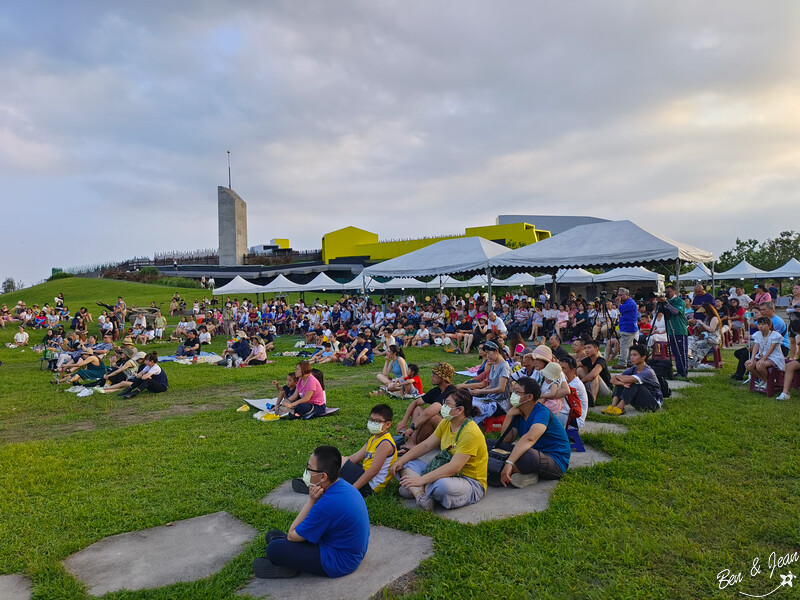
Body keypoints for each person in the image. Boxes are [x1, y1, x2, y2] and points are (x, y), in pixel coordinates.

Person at [254, 445, 369, 579]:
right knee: (273, 535)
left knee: (274, 549)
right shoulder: (342, 485)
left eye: (309, 469)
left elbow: (292, 534)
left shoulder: (327, 503)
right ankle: (291, 557)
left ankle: (291, 564)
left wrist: (311, 501)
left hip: (339, 562)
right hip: (352, 551)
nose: (307, 472)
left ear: (323, 477)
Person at [390, 389, 488, 511]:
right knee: (406, 465)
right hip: (442, 468)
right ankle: (421, 496)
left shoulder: (470, 433)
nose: (444, 407)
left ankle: (416, 489)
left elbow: (454, 468)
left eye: (447, 404)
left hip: (468, 480)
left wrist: (421, 479)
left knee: (441, 486)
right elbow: (425, 445)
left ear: (460, 410)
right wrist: (400, 461)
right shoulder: (447, 422)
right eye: (444, 403)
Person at [294, 404, 397, 497]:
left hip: (370, 487)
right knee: (336, 460)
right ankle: (318, 483)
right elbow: (356, 457)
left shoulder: (385, 444)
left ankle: (318, 487)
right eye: (371, 420)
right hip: (364, 475)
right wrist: (337, 463)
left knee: (339, 463)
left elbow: (373, 471)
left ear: (388, 424)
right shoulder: (374, 438)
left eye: (377, 421)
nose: (372, 423)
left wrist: (353, 490)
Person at [486, 376, 570, 488]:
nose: (512, 394)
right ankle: (523, 473)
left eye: (516, 392)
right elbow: (507, 439)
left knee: (526, 455)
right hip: (534, 453)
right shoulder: (519, 412)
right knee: (490, 443)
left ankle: (502, 470)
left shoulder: (542, 412)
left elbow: (530, 439)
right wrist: (509, 415)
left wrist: (509, 462)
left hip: (554, 461)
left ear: (529, 397)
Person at [396, 362, 457, 451]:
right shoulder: (437, 390)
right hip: (442, 427)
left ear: (443, 378)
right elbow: (415, 403)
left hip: (453, 430)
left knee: (432, 417)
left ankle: (416, 444)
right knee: (418, 409)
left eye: (435, 374)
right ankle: (412, 442)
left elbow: (430, 411)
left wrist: (412, 428)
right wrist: (403, 421)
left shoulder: (451, 392)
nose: (432, 376)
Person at [602, 345, 663, 415]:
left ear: (643, 357)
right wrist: (622, 383)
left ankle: (620, 407)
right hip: (639, 402)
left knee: (632, 382)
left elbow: (627, 379)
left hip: (653, 404)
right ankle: (613, 406)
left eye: (635, 355)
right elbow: (612, 380)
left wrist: (620, 378)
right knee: (622, 382)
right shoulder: (634, 368)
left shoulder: (648, 372)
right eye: (630, 355)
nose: (631, 357)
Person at [468, 340, 511, 425]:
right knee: (467, 402)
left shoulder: (504, 366)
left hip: (500, 403)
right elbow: (492, 385)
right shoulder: (494, 365)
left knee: (475, 407)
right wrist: (477, 391)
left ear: (496, 351)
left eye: (489, 354)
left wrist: (480, 391)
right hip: (490, 399)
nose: (487, 356)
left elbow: (501, 389)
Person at [745, 317, 785, 390]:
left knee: (760, 365)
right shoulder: (758, 334)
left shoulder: (775, 335)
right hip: (762, 355)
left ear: (769, 325)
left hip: (774, 356)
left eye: (763, 324)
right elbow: (756, 347)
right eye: (759, 324)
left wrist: (763, 359)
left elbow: (771, 349)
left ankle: (769, 381)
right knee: (749, 365)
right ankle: (764, 380)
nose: (760, 326)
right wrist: (752, 359)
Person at [658, 285, 689, 379]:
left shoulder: (679, 301)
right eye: (666, 291)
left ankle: (683, 372)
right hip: (671, 331)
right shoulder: (668, 302)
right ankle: (678, 371)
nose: (667, 293)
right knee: (675, 353)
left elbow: (675, 311)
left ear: (675, 292)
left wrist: (666, 303)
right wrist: (660, 303)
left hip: (679, 330)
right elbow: (658, 312)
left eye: (669, 291)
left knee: (681, 352)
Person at [577, 339, 612, 404]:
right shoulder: (588, 359)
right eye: (585, 348)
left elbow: (593, 375)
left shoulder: (601, 360)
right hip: (593, 385)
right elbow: (575, 366)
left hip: (606, 390)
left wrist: (579, 382)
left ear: (596, 349)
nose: (586, 350)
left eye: (589, 348)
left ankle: (593, 399)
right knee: (579, 370)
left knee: (595, 376)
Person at [687, 302, 721, 369]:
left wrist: (702, 323)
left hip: (713, 338)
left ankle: (692, 363)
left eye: (705, 312)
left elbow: (711, 329)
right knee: (690, 338)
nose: (704, 314)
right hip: (706, 336)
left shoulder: (714, 318)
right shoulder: (707, 318)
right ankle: (689, 353)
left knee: (697, 344)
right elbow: (704, 329)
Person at [558, 355, 589, 428]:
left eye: (563, 368)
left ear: (573, 371)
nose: (560, 372)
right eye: (559, 368)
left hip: (575, 419)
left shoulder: (575, 385)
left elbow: (554, 395)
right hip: (566, 413)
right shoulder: (564, 381)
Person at [616, 288, 638, 367]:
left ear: (627, 295)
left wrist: (618, 302)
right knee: (629, 346)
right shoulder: (627, 302)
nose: (619, 297)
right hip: (627, 327)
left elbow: (621, 309)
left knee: (624, 346)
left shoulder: (630, 303)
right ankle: (630, 361)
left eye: (621, 295)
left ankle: (622, 363)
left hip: (628, 327)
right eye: (619, 295)